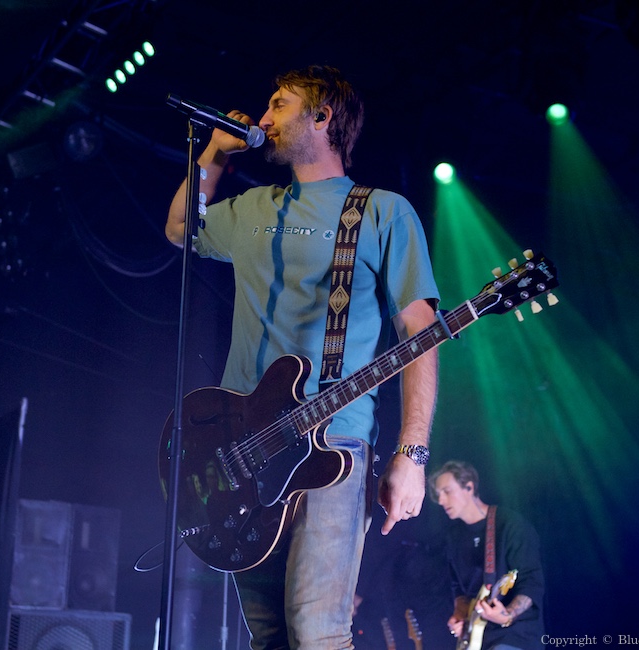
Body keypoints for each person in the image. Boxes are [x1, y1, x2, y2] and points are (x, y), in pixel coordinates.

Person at [165, 64, 441, 650]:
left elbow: (422, 334)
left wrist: (411, 453)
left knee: (316, 634)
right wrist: (214, 149)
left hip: (332, 446)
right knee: (268, 637)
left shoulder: (382, 212)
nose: (262, 118)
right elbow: (179, 229)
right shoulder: (254, 207)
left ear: (322, 117)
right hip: (239, 447)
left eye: (279, 104)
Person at [429, 460, 546, 650]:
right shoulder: (453, 537)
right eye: (438, 495)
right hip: (477, 639)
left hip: (515, 635)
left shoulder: (510, 525)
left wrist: (507, 614)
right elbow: (458, 588)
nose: (441, 501)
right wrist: (460, 615)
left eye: (447, 491)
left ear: (469, 487)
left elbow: (531, 580)